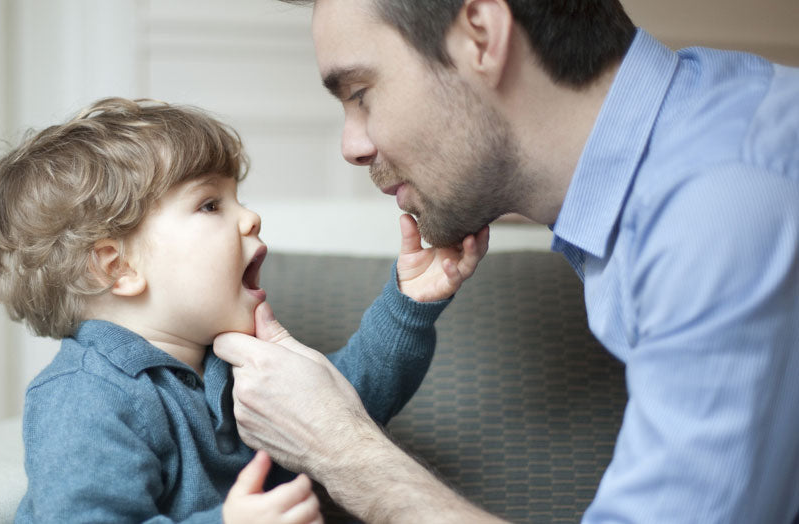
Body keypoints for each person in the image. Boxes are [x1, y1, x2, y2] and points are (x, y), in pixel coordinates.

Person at [213, 0, 799, 522]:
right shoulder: (686, 145)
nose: (352, 145)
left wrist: (339, 450)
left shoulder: (719, 209)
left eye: (361, 94)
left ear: (481, 35)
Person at [0, 97, 488, 523]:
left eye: (237, 198)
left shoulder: (233, 364)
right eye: (210, 205)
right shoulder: (85, 396)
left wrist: (409, 303)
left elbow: (343, 407)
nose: (251, 217)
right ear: (117, 266)